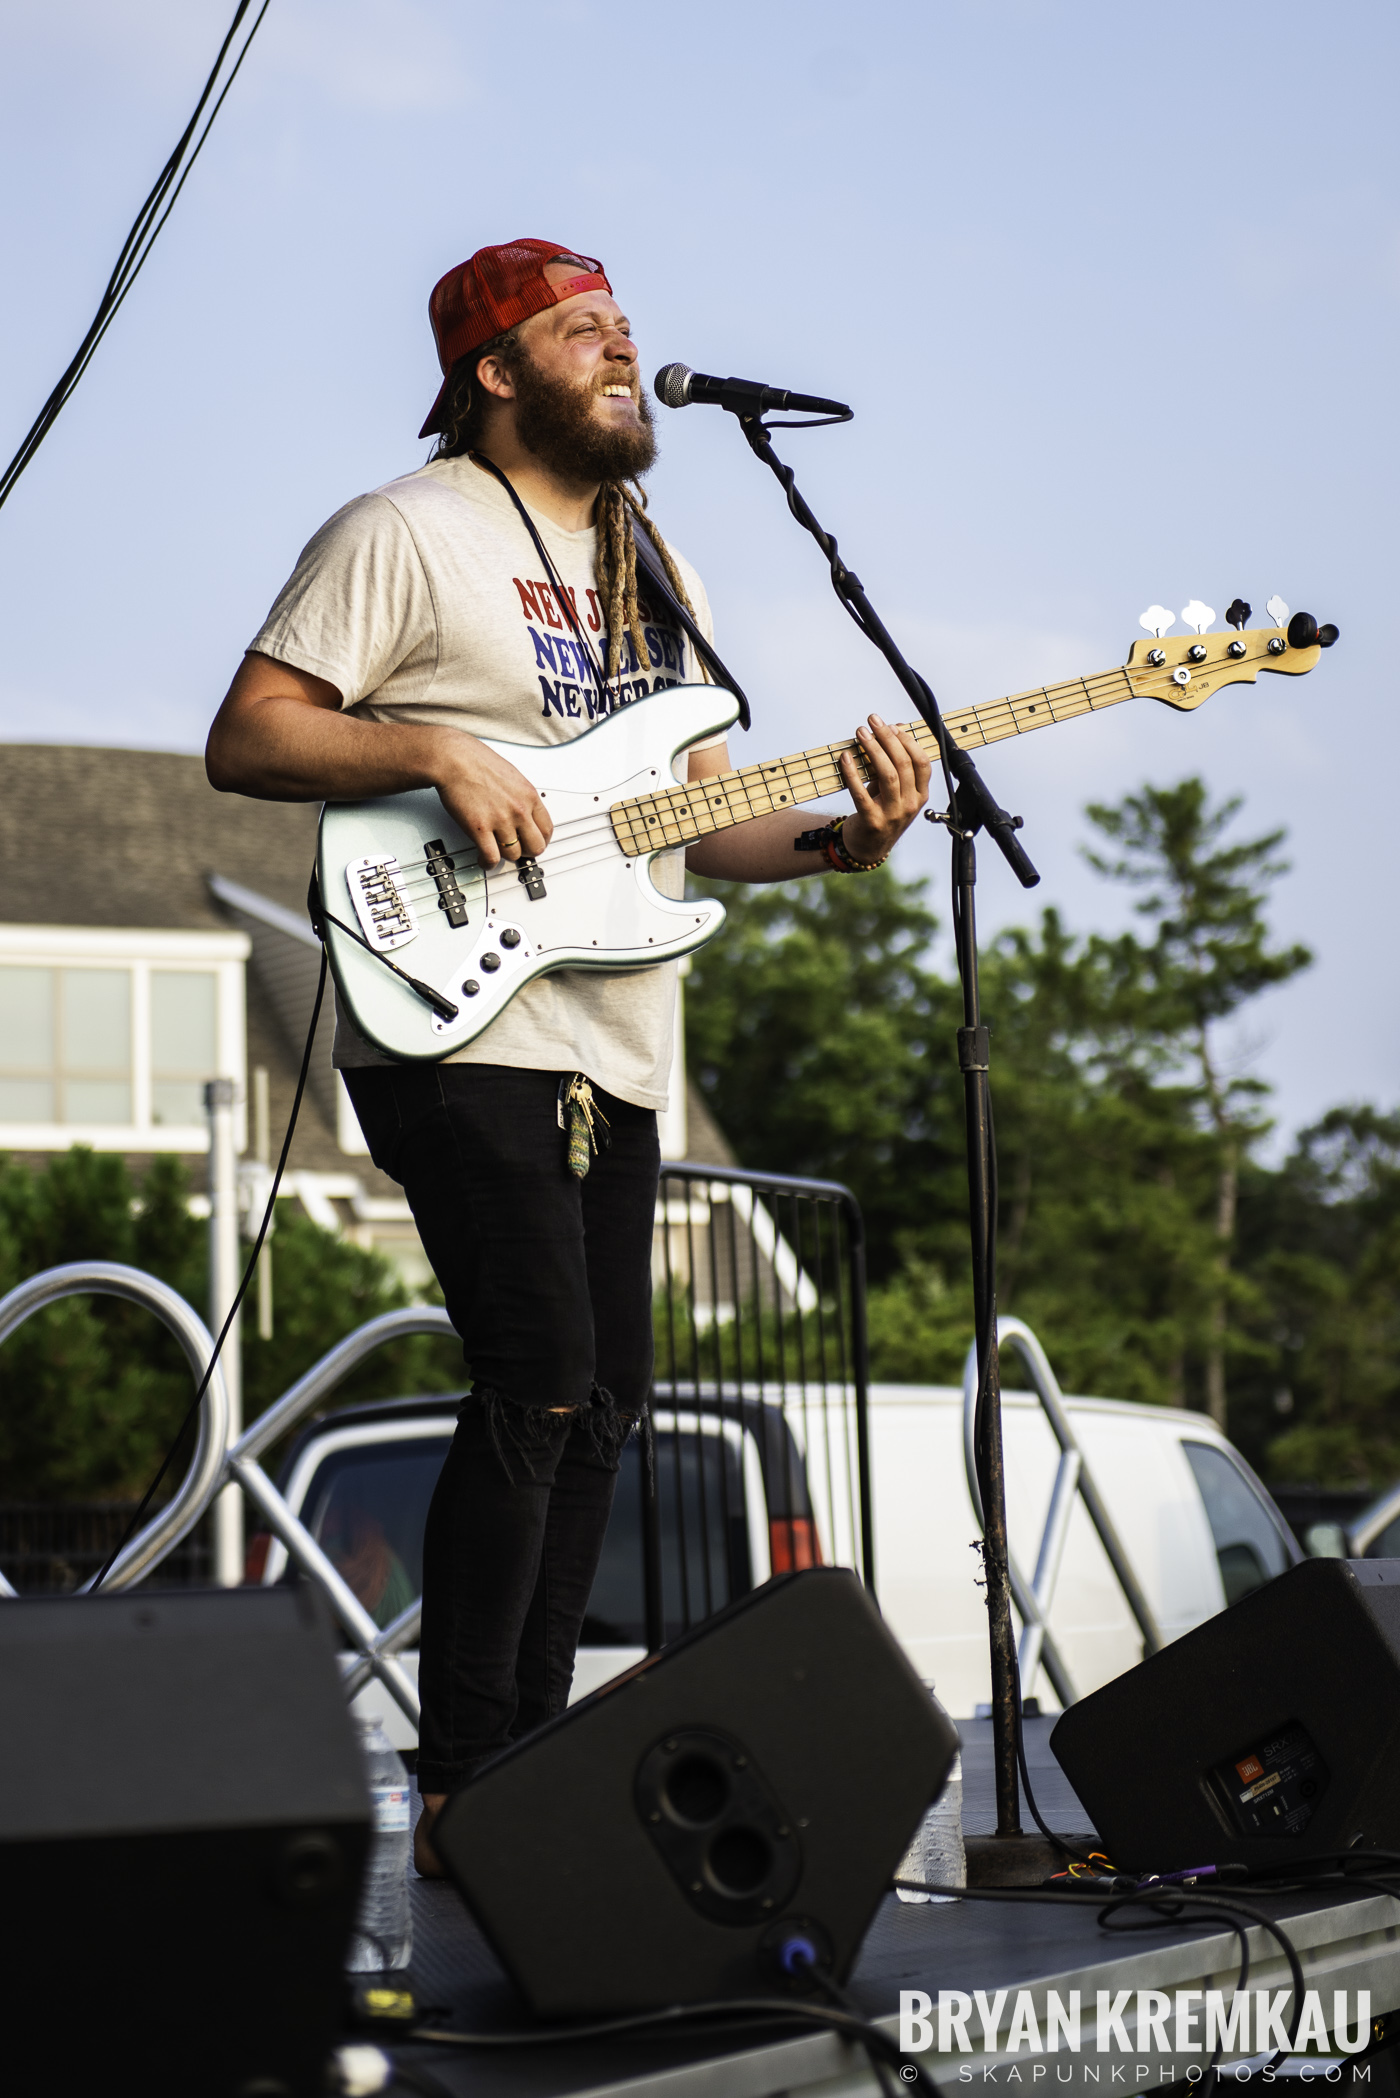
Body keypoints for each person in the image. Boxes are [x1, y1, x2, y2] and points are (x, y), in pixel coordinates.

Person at [206, 237, 931, 1874]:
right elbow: (250, 731)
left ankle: (525, 1752)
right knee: (534, 1372)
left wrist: (842, 840)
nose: (622, 348)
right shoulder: (405, 530)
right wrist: (434, 749)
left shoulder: (655, 562)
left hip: (617, 1035)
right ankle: (464, 1770)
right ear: (494, 372)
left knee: (603, 1405)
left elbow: (705, 819)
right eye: (582, 332)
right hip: (456, 1010)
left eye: (625, 328)